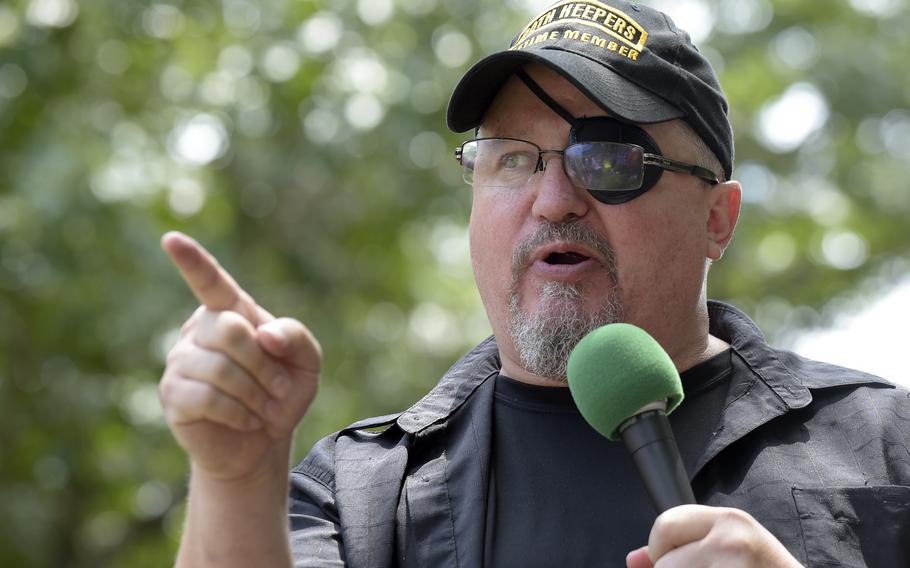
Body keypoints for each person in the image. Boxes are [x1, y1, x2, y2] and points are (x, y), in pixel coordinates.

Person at [158, 1, 910, 566]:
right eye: (513, 160)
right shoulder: (360, 495)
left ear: (718, 217)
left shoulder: (887, 448)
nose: (553, 201)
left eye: (610, 159)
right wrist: (237, 477)